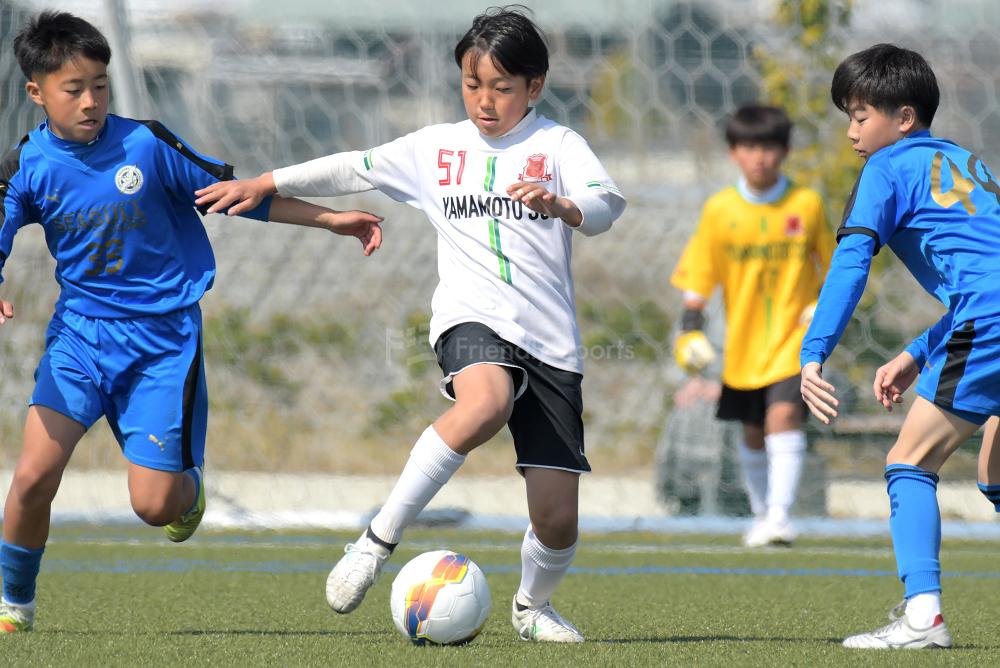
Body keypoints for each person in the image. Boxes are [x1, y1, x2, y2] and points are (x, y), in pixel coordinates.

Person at [195, 6, 625, 643]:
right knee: (487, 402)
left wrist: (564, 204)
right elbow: (354, 166)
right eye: (472, 84)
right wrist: (267, 180)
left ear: (534, 87)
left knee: (558, 520)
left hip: (552, 342)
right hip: (469, 318)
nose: (485, 100)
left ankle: (531, 607)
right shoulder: (436, 148)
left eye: (502, 88)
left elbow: (606, 204)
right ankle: (375, 542)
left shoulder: (558, 145)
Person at [0, 11, 383, 634]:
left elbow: (237, 194)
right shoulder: (26, 162)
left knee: (156, 508)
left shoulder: (145, 145)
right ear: (37, 93)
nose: (92, 100)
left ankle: (188, 487)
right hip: (80, 340)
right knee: (33, 476)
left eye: (100, 85)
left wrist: (332, 219)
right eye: (74, 90)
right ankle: (14, 606)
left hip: (161, 345)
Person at [800, 43, 1000, 650]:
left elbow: (851, 261)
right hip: (987, 315)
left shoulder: (887, 168)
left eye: (861, 116)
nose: (852, 132)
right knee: (995, 474)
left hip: (989, 320)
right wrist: (917, 351)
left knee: (909, 462)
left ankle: (923, 619)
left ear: (903, 118)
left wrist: (814, 352)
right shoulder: (971, 165)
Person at [670, 104, 834, 547]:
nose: (759, 157)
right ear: (733, 153)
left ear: (784, 151)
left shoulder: (807, 203)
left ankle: (780, 516)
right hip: (742, 348)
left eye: (768, 147)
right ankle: (763, 515)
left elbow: (836, 265)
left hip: (793, 341)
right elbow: (698, 277)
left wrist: (823, 306)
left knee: (784, 414)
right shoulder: (720, 210)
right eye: (749, 147)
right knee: (752, 430)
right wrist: (690, 329)